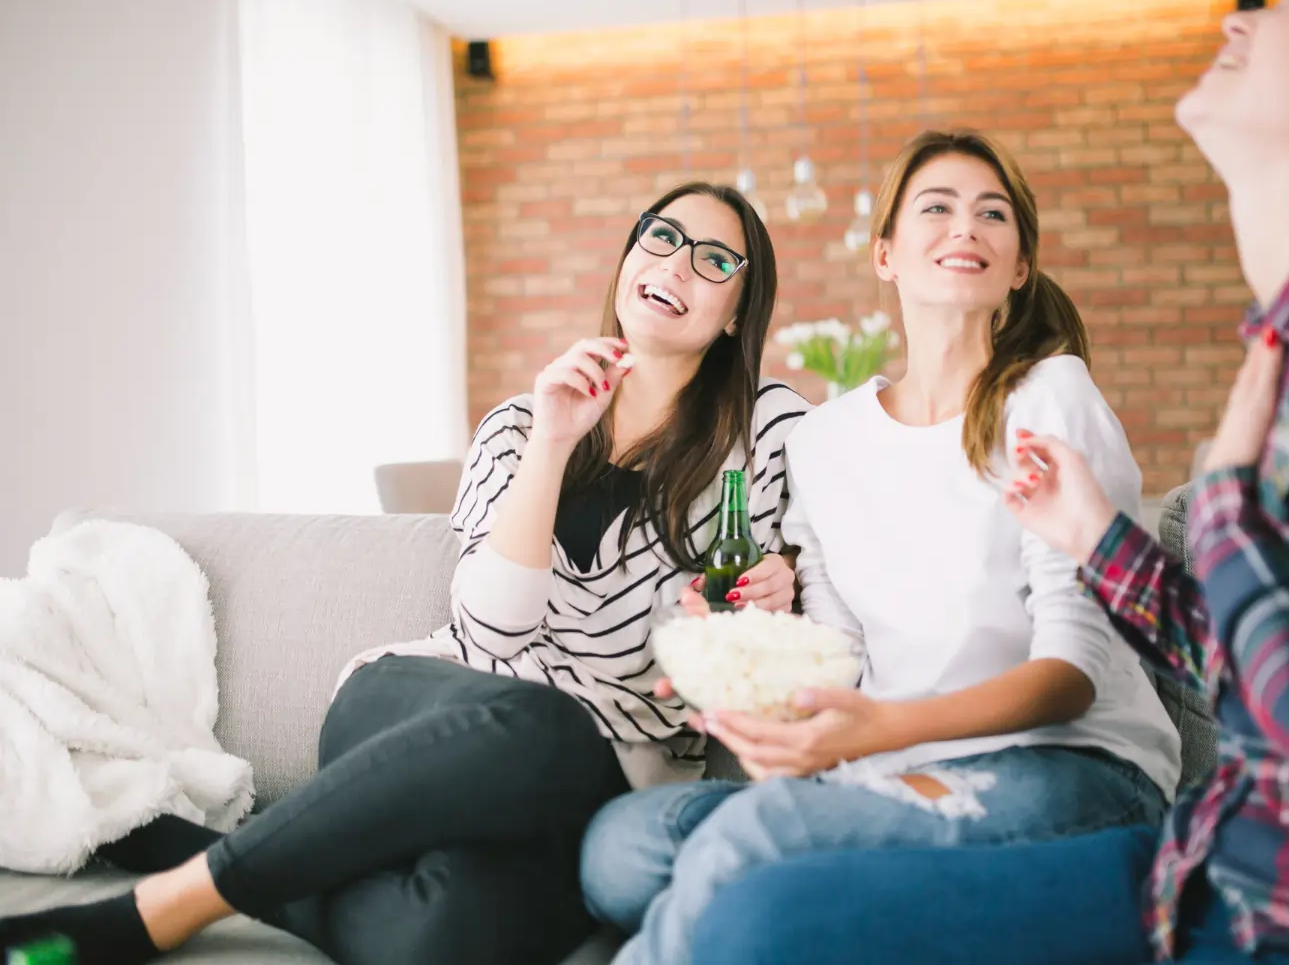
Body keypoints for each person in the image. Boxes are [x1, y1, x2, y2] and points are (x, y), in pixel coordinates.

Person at [689, 0, 1289, 963]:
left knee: (752, 910)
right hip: (1233, 872)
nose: (1246, 9)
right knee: (681, 867)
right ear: (885, 252)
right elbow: (1270, 679)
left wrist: (1229, 510)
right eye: (935, 210)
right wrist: (1105, 543)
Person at [0, 181, 810, 965]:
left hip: (606, 771)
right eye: (661, 237)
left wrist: (783, 578)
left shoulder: (771, 431)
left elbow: (792, 586)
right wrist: (555, 441)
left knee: (443, 939)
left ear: (738, 308)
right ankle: (156, 913)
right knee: (541, 721)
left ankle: (200, 856)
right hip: (432, 707)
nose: (676, 264)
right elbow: (495, 630)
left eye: (714, 259)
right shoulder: (522, 423)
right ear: (631, 254)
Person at [579, 130, 1183, 965]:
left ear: (1018, 267)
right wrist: (738, 673)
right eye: (936, 208)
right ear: (887, 255)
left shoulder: (1049, 396)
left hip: (1073, 773)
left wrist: (870, 735)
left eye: (992, 214)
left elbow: (1073, 677)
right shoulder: (827, 440)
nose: (964, 226)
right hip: (893, 768)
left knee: (742, 839)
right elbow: (841, 655)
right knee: (622, 847)